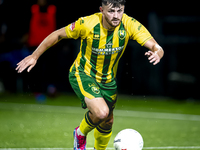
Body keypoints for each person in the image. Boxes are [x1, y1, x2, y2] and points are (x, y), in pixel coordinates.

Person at [16, 0, 164, 149]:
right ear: (101, 10)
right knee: (101, 113)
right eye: (111, 11)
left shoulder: (129, 24)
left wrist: (158, 53)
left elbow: (156, 45)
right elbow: (58, 34)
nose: (116, 16)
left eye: (120, 11)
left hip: (108, 80)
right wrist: (34, 56)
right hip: (83, 73)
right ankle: (80, 133)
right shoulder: (87, 24)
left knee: (108, 121)